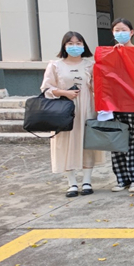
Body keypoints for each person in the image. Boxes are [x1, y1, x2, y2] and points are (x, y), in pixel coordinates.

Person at [41, 32, 105, 197]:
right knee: (66, 143)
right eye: (70, 43)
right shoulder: (55, 65)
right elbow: (46, 88)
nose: (74, 46)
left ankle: (87, 181)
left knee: (87, 143)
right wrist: (64, 92)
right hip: (64, 110)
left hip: (87, 108)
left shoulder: (90, 65)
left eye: (78, 43)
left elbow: (98, 87)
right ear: (64, 46)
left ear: (83, 45)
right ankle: (72, 183)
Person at [109, 19, 134, 193]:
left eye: (123, 30)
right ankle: (121, 179)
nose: (120, 33)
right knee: (116, 140)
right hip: (114, 103)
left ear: (131, 32)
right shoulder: (109, 54)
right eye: (116, 30)